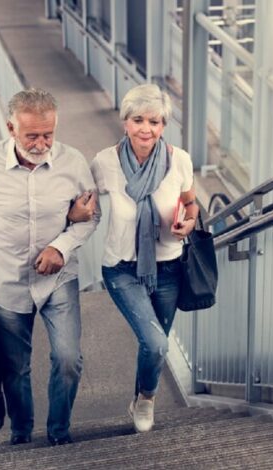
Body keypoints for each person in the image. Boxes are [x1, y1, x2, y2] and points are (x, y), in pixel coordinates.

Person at [0, 88, 99, 446]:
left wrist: (61, 247)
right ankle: (21, 432)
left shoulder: (73, 162)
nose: (42, 142)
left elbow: (92, 216)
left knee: (68, 359)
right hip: (6, 282)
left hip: (58, 279)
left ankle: (59, 431)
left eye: (49, 134)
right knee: (15, 368)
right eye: (32, 135)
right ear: (11, 128)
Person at [68, 83, 197, 433]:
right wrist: (75, 217)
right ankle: (147, 401)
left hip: (169, 266)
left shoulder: (178, 160)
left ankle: (141, 395)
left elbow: (190, 201)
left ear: (163, 126)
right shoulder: (106, 162)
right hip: (122, 268)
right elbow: (82, 202)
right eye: (138, 119)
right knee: (156, 342)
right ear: (125, 121)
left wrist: (188, 220)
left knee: (154, 347)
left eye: (154, 122)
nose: (146, 129)